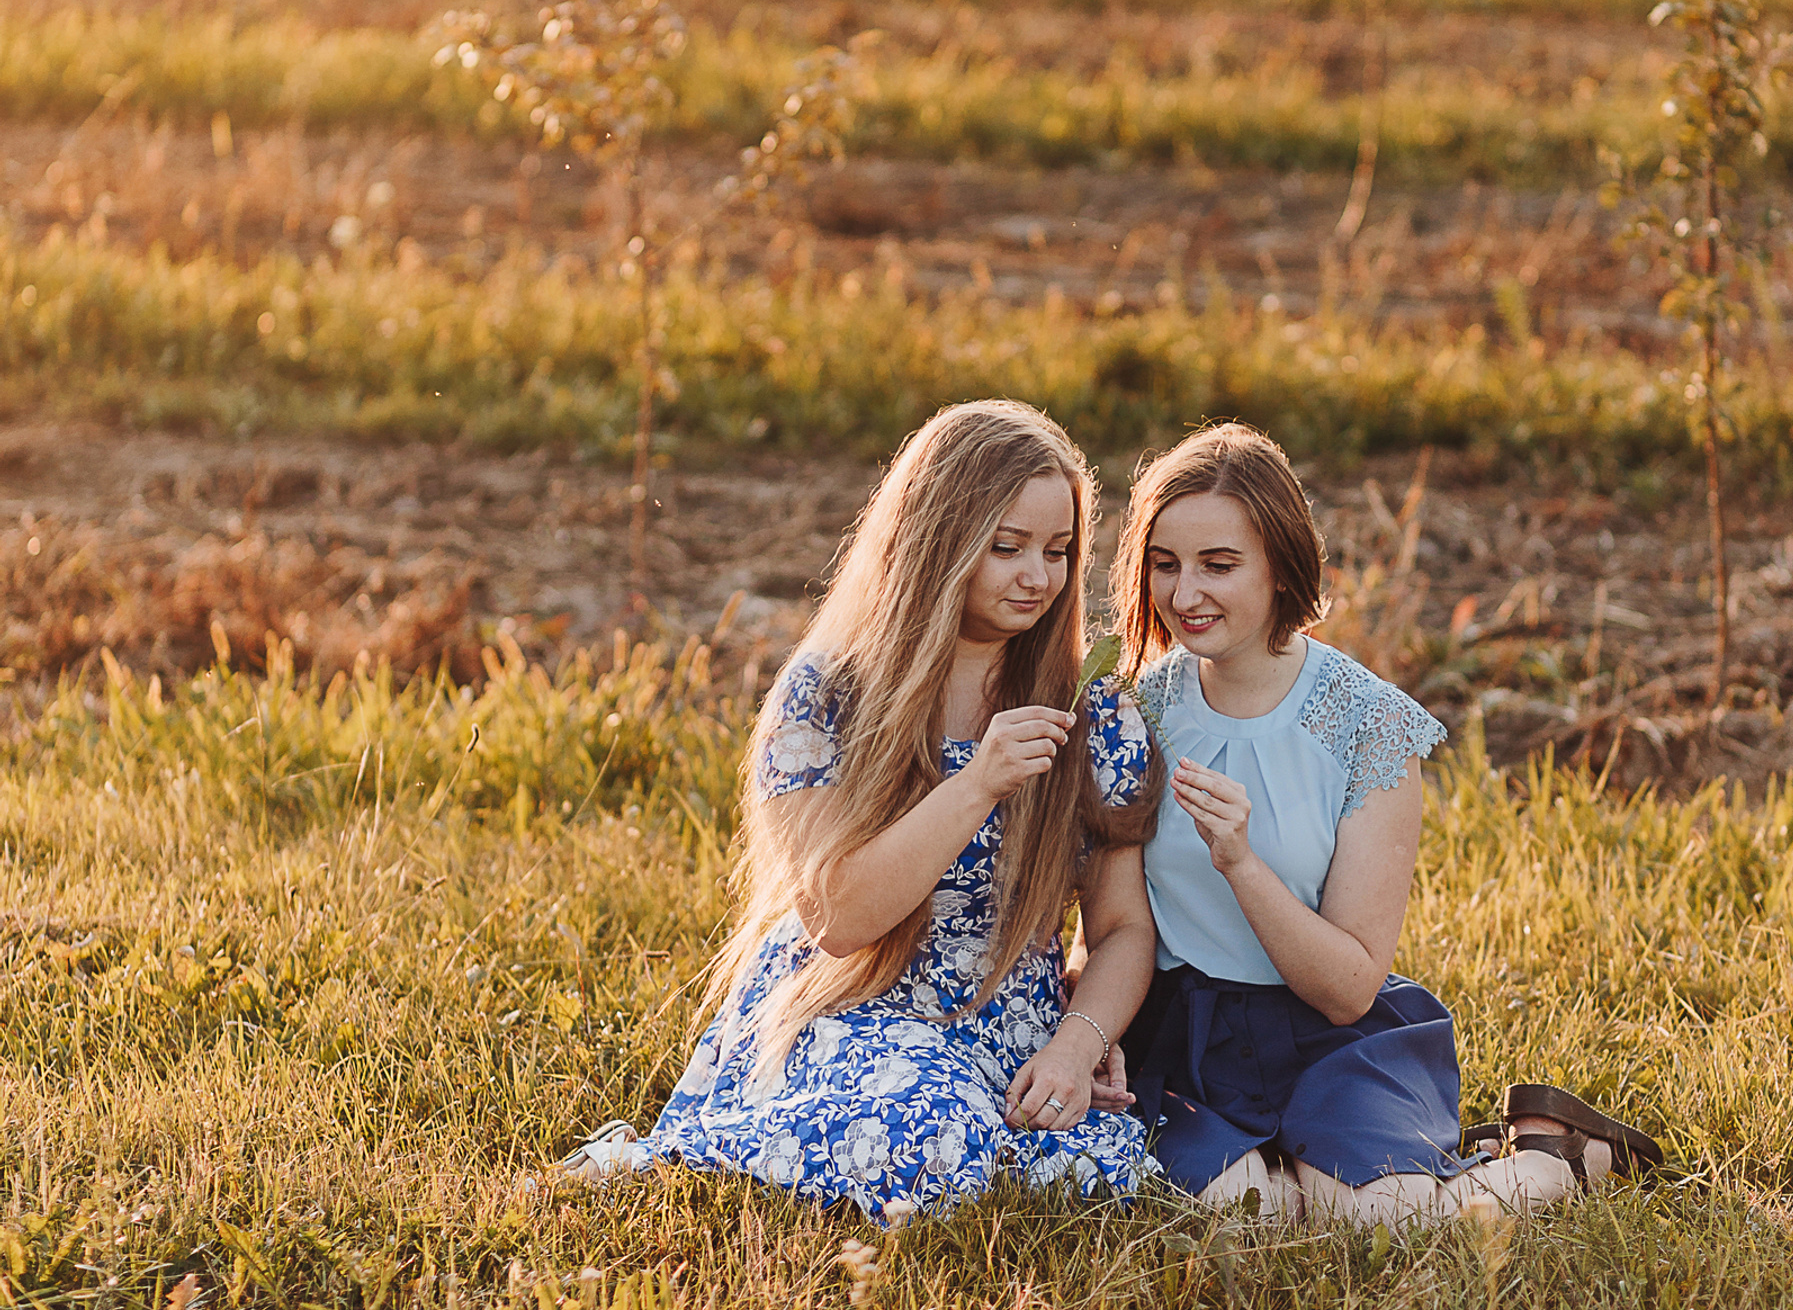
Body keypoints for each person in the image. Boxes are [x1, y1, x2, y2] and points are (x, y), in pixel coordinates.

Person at [544, 399, 1163, 1221]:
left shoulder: (1093, 714)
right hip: (856, 1004)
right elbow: (840, 917)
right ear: (934, 543)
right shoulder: (831, 696)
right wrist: (976, 783)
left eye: (1057, 552)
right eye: (1006, 547)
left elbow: (1121, 928)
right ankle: (666, 1160)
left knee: (1089, 1178)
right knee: (934, 1142)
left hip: (1010, 1023)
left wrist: (1076, 1045)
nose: (1037, 577)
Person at [1101, 422, 1662, 1227]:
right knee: (1243, 1221)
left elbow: (1347, 988)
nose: (1185, 594)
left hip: (1331, 1035)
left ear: (1280, 564)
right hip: (1184, 1037)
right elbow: (1115, 924)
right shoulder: (1136, 716)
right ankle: (1337, 1175)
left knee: (1386, 1221)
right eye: (1165, 565)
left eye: (1218, 565)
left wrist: (1242, 864)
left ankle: (1559, 1154)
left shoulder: (1371, 726)